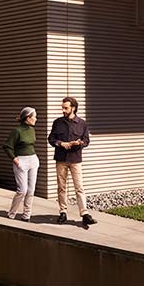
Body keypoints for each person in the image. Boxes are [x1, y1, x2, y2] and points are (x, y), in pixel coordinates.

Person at [48, 96, 97, 227]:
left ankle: (84, 214)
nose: (63, 110)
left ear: (73, 108)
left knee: (79, 187)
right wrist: (61, 143)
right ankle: (63, 212)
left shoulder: (82, 123)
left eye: (66, 108)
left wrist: (79, 143)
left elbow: (86, 141)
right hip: (61, 159)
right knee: (61, 188)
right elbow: (51, 139)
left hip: (75, 159)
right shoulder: (57, 122)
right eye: (62, 108)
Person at [3, 106, 39, 221]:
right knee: (22, 190)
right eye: (34, 116)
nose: (36, 119)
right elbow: (7, 146)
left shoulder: (32, 129)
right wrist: (14, 159)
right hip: (21, 161)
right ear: (28, 118)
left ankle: (26, 215)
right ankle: (12, 213)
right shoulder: (17, 131)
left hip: (33, 160)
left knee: (31, 190)